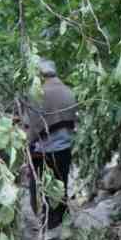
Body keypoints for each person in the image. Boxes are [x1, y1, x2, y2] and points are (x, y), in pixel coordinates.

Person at [26, 59, 78, 230]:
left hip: (45, 149)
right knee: (61, 183)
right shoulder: (68, 91)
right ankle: (62, 220)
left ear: (40, 75)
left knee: (43, 187)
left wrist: (27, 143)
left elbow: (34, 125)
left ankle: (48, 223)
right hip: (65, 146)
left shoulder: (39, 94)